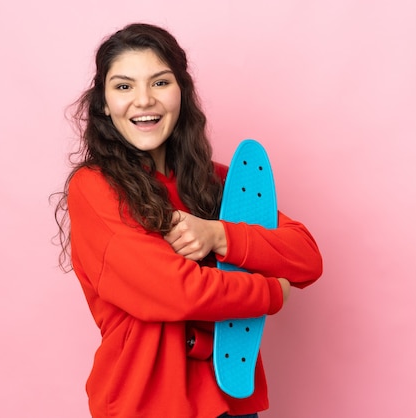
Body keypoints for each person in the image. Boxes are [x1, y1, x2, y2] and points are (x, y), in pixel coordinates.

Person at [53, 22, 323, 418]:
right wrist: (271, 293)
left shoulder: (214, 180)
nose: (144, 100)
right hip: (148, 405)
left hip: (231, 397)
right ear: (104, 104)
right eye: (124, 86)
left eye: (160, 83)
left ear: (182, 92)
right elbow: (176, 291)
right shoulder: (94, 188)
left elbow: (306, 258)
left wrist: (217, 234)